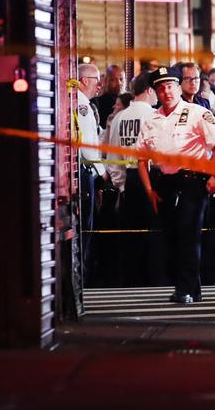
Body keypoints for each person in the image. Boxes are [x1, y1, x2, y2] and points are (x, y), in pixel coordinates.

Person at [136, 66, 215, 304]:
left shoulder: (197, 112)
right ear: (155, 92)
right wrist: (149, 190)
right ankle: (186, 288)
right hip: (165, 182)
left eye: (170, 86)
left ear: (178, 88)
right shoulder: (151, 119)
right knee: (172, 237)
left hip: (193, 181)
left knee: (189, 234)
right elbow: (141, 158)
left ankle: (187, 289)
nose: (166, 92)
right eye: (160, 88)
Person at [105, 73, 157, 286]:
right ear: (149, 90)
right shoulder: (153, 116)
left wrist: (121, 185)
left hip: (129, 179)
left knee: (130, 237)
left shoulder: (119, 117)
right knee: (153, 236)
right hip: (151, 179)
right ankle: (152, 282)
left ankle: (130, 282)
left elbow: (112, 157)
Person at [77, 63, 104, 286]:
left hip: (85, 170)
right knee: (86, 226)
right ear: (85, 80)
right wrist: (102, 173)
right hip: (85, 172)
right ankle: (83, 276)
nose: (99, 85)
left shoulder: (79, 101)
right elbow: (87, 145)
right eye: (97, 79)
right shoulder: (82, 105)